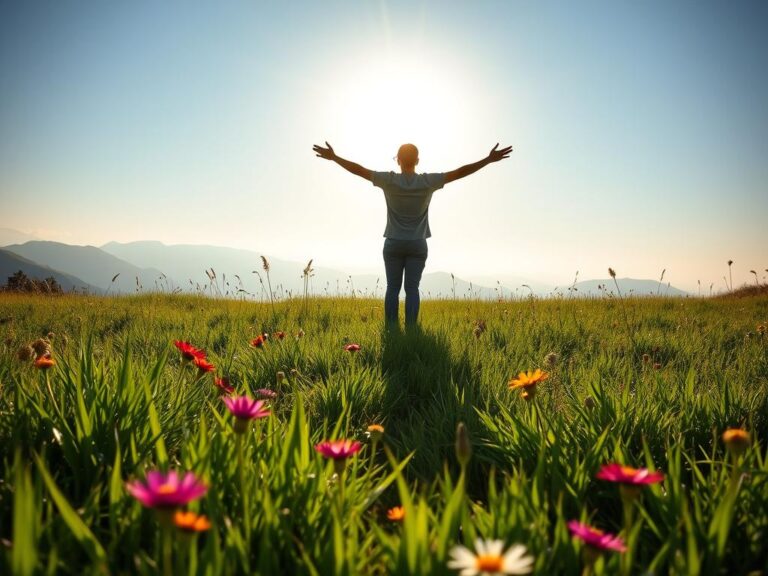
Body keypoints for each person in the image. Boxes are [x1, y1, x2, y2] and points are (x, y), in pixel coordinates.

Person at [312, 141, 513, 326]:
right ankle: (411, 329)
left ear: (398, 160)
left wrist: (335, 158)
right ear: (417, 161)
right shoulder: (428, 182)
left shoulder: (388, 180)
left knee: (392, 289)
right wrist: (487, 160)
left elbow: (359, 170)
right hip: (417, 244)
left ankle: (391, 328)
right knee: (412, 289)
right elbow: (460, 172)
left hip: (393, 243)